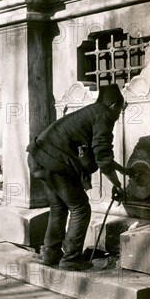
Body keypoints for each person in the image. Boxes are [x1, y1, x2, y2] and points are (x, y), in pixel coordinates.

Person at [26, 84, 131, 271]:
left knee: (58, 206)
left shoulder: (92, 111)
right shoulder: (104, 116)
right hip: (55, 163)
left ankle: (51, 253)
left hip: (38, 157)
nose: (119, 114)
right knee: (80, 207)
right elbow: (103, 158)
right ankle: (71, 258)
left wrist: (124, 171)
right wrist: (117, 184)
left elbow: (101, 155)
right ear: (114, 106)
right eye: (121, 109)